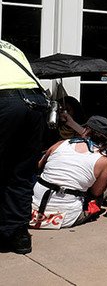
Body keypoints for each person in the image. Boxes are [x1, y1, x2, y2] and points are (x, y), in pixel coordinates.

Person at [0, 40, 49, 254]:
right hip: (34, 101)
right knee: (21, 173)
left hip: (5, 99)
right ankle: (18, 235)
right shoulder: (10, 46)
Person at [31, 116, 107, 229]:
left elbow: (39, 166)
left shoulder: (61, 144)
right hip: (67, 218)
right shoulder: (104, 160)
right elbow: (96, 192)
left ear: (86, 130)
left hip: (32, 212)